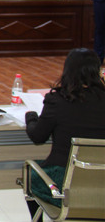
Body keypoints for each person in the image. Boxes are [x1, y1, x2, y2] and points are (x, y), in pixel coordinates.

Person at [24, 48, 105, 221]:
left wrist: (31, 118)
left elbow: (38, 137)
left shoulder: (58, 101)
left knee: (31, 176)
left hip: (64, 184)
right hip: (101, 185)